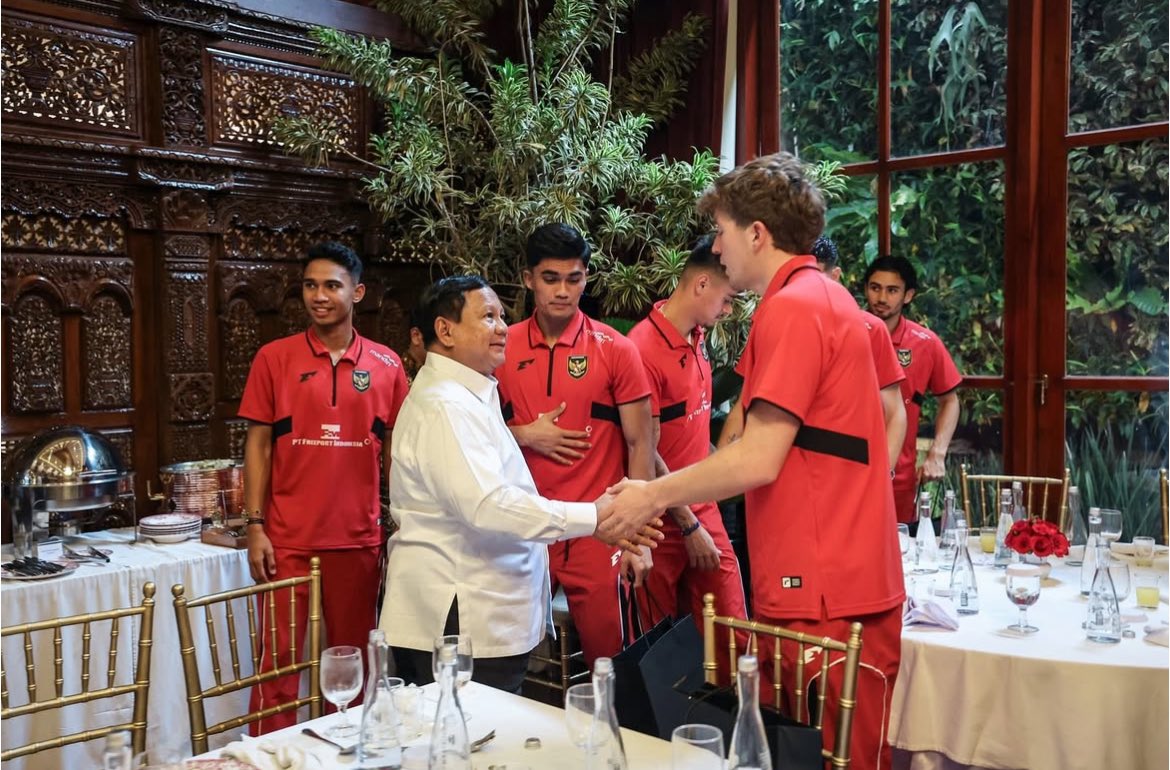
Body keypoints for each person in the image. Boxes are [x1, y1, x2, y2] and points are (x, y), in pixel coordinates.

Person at [603, 153, 904, 770]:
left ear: (756, 233)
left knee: (820, 757)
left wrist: (652, 495)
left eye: (721, 230)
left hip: (824, 582)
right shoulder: (821, 296)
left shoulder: (795, 306)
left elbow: (759, 457)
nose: (717, 246)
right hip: (831, 573)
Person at [379, 275, 657, 692]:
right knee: (462, 747)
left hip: (484, 612)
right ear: (445, 330)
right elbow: (489, 506)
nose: (502, 327)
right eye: (488, 317)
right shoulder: (445, 405)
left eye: (502, 317)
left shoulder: (468, 395)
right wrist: (592, 517)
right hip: (460, 614)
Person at [238, 241, 409, 733]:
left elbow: (398, 452)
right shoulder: (274, 358)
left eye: (331, 285)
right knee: (279, 665)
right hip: (287, 538)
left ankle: (356, 751)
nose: (319, 295)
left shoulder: (388, 365)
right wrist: (255, 526)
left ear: (357, 292)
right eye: (310, 285)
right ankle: (269, 760)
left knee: (355, 660)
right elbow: (259, 446)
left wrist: (400, 520)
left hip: (358, 537)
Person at [495, 223, 655, 665]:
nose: (563, 291)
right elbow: (473, 436)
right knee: (515, 662)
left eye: (574, 278)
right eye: (550, 278)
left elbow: (642, 442)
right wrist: (524, 434)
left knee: (613, 667)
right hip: (527, 528)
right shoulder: (499, 347)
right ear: (528, 278)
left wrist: (635, 537)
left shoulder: (616, 349)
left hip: (599, 529)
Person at [626, 235, 747, 631]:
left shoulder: (697, 338)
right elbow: (647, 449)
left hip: (702, 505)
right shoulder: (641, 348)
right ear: (701, 285)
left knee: (732, 628)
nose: (728, 310)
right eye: (727, 299)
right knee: (658, 642)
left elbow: (693, 430)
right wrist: (689, 525)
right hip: (661, 518)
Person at [717, 236, 907, 475]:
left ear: (835, 276)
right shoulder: (774, 322)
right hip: (784, 476)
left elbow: (895, 412)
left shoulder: (869, 329)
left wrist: (881, 474)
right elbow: (745, 402)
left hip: (844, 475)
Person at [864, 255, 962, 524]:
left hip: (900, 476)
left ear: (908, 295)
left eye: (892, 290)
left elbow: (950, 401)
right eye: (875, 287)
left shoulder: (925, 343)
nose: (881, 297)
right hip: (847, 469)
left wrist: (937, 453)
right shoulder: (847, 333)